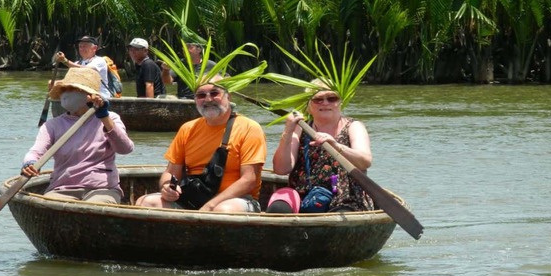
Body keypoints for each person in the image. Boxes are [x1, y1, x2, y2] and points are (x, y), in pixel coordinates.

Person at [135, 76, 267, 212]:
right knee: (145, 202)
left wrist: (210, 206)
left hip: (237, 200)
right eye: (201, 95)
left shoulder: (249, 128)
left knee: (222, 210)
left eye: (215, 93)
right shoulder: (188, 129)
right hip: (194, 197)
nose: (208, 99)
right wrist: (167, 187)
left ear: (229, 97)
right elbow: (170, 172)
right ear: (195, 100)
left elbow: (249, 180)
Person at [21, 67, 135, 204]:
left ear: (89, 95)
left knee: (95, 207)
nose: (67, 95)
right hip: (62, 187)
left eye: (73, 90)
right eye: (65, 90)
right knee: (52, 207)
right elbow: (36, 151)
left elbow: (125, 149)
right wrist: (30, 163)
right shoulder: (52, 125)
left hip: (102, 188)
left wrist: (104, 117)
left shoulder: (110, 118)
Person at [266, 80, 375, 213]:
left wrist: (335, 145)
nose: (325, 103)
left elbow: (364, 161)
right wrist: (288, 132)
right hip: (304, 195)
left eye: (331, 98)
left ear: (340, 102)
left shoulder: (353, 126)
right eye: (318, 99)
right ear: (309, 105)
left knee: (340, 217)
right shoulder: (300, 128)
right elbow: (281, 169)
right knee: (278, 207)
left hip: (345, 196)